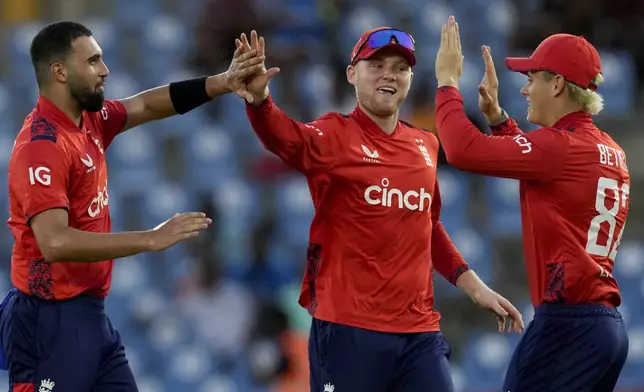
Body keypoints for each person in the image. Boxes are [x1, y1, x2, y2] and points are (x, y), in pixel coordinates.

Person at [238, 29, 524, 392]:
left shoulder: (425, 144)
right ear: (351, 74)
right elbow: (286, 137)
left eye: (400, 67)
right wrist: (260, 101)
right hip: (349, 330)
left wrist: (475, 286)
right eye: (376, 64)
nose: (389, 73)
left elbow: (429, 225)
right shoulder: (334, 135)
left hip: (418, 332)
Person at [0, 21, 265, 392]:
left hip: (91, 317)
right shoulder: (41, 145)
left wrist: (221, 83)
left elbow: (144, 104)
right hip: (49, 321)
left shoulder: (89, 121)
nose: (104, 70)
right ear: (59, 72)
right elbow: (54, 242)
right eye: (93, 61)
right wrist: (149, 239)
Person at [434, 16, 630, 391]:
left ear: (557, 84)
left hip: (567, 326)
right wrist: (497, 119)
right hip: (603, 329)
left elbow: (459, 150)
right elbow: (545, 169)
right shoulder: (609, 149)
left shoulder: (561, 147)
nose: (523, 90)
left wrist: (446, 83)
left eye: (531, 79)